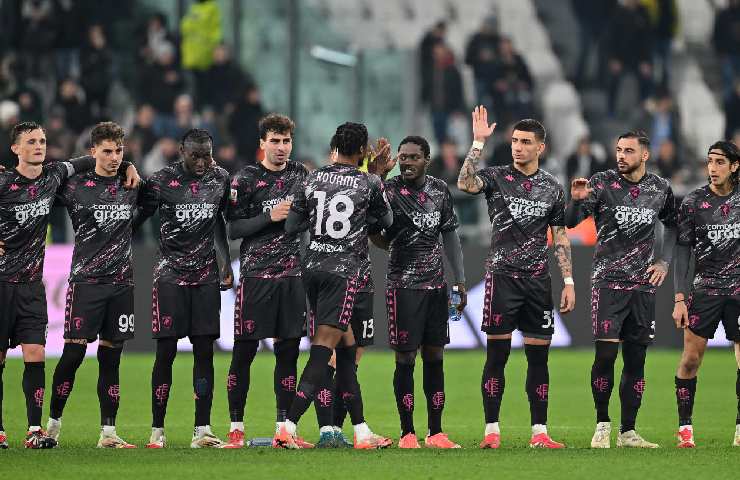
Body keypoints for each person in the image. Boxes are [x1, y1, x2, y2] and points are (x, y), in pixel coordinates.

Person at [0, 122, 136, 449]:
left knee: (35, 354)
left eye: (42, 141)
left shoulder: (54, 176)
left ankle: (35, 430)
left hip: (32, 285)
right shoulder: (3, 181)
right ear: (15, 148)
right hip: (2, 283)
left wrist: (129, 163)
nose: (39, 146)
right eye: (31, 141)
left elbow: (88, 161)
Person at [457, 106, 575, 449]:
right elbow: (465, 183)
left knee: (539, 359)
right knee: (497, 357)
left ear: (541, 147)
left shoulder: (552, 187)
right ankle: (491, 430)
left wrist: (568, 281)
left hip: (538, 282)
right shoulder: (496, 177)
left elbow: (560, 235)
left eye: (525, 142)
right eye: (514, 141)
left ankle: (540, 433)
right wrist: (478, 142)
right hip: (502, 279)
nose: (517, 147)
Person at [274, 122, 393, 449]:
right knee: (323, 348)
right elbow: (387, 221)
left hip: (311, 267)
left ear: (334, 146)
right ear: (363, 151)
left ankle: (361, 431)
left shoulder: (310, 177)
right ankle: (288, 427)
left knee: (346, 350)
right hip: (344, 272)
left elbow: (293, 225)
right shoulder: (368, 181)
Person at [566, 130, 677, 448]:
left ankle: (628, 431)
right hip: (608, 282)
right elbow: (571, 221)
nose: (621, 155)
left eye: (628, 150)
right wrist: (575, 202)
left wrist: (664, 262)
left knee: (636, 359)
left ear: (644, 155)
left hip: (643, 286)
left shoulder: (660, 188)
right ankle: (602, 423)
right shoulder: (601, 182)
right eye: (618, 150)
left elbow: (672, 225)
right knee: (605, 355)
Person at [46, 122, 142, 448]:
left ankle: (109, 433)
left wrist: (130, 167)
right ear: (93, 152)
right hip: (86, 283)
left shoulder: (132, 185)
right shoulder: (75, 187)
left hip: (122, 285)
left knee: (111, 361)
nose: (115, 157)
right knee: (73, 355)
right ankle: (51, 426)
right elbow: (46, 176)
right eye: (107, 151)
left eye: (119, 152)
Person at [136, 128, 232, 448]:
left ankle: (202, 430)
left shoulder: (221, 178)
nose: (203, 161)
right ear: (181, 151)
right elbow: (139, 215)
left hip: (205, 276)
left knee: (205, 352)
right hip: (170, 275)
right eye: (195, 155)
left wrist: (225, 262)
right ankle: (157, 431)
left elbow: (220, 221)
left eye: (207, 154)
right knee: (166, 351)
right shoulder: (161, 180)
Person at [369, 135, 466, 449]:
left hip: (436, 287)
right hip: (403, 287)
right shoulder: (389, 190)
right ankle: (407, 432)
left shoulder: (439, 191)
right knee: (406, 358)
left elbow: (450, 236)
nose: (407, 162)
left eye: (413, 157)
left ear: (427, 158)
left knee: (435, 356)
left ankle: (436, 432)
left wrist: (460, 281)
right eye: (403, 157)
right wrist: (379, 175)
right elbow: (374, 231)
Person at [222, 114, 312, 449]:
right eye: (274, 141)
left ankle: (283, 430)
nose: (281, 148)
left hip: (291, 276)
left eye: (286, 141)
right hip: (256, 276)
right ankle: (236, 428)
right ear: (262, 143)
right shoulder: (245, 178)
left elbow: (308, 220)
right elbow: (232, 229)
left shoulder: (301, 175)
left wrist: (297, 220)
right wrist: (267, 217)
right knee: (244, 351)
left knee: (288, 353)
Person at [672, 141, 740, 448]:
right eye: (709, 161)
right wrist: (678, 298)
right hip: (705, 290)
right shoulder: (693, 202)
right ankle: (685, 429)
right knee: (690, 361)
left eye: (720, 162)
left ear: (734, 166)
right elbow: (683, 252)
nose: (712, 168)